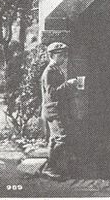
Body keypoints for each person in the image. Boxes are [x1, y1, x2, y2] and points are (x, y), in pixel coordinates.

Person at [41, 42, 78, 180]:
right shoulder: (50, 71)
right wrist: (68, 84)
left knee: (54, 139)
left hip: (55, 109)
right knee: (62, 138)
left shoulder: (56, 69)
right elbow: (52, 93)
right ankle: (49, 168)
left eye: (64, 55)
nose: (64, 58)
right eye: (60, 55)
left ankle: (52, 167)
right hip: (53, 110)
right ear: (51, 55)